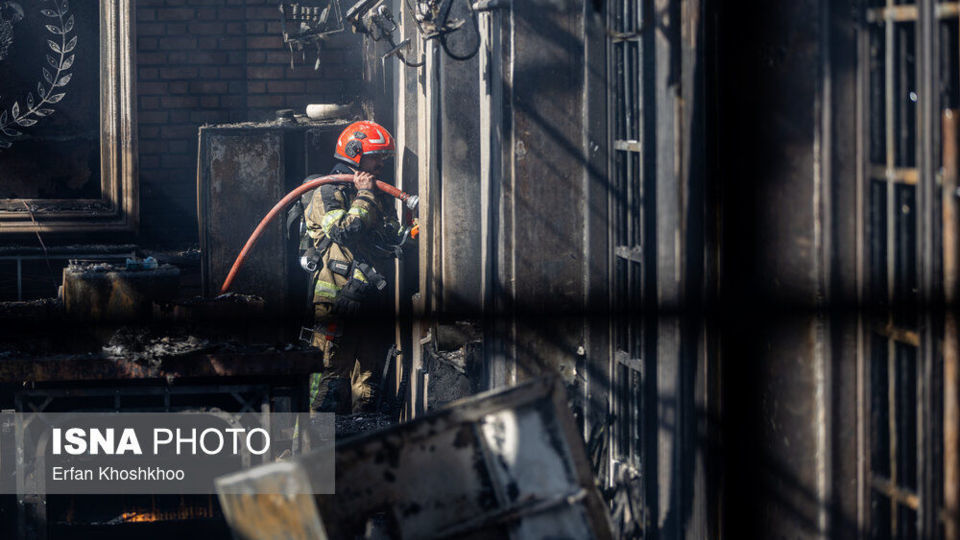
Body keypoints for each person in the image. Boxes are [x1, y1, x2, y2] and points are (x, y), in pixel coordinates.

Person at [301, 120, 407, 414]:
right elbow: (344, 231)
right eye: (377, 156)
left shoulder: (375, 192)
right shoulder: (326, 190)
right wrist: (364, 194)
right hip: (336, 299)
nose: (381, 164)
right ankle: (315, 455)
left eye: (384, 157)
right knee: (330, 380)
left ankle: (360, 447)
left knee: (368, 382)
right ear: (354, 153)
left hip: (369, 298)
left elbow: (386, 236)